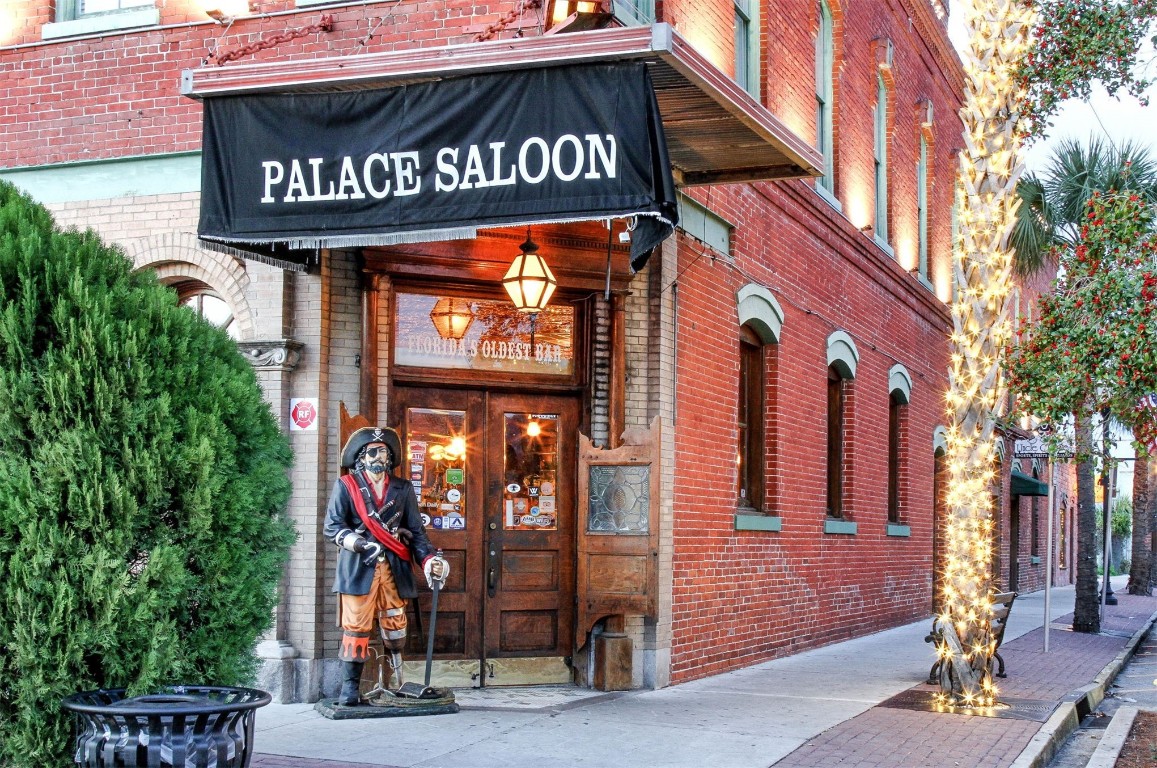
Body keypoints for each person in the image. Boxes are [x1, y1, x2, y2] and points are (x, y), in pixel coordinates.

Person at [323, 426, 449, 706]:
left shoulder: (403, 488)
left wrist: (430, 560)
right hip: (358, 567)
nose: (379, 456)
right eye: (373, 451)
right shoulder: (347, 486)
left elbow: (416, 532)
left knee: (395, 625)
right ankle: (350, 689)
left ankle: (396, 680)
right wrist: (358, 543)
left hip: (393, 568)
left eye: (384, 451)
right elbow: (332, 528)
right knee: (355, 627)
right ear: (361, 457)